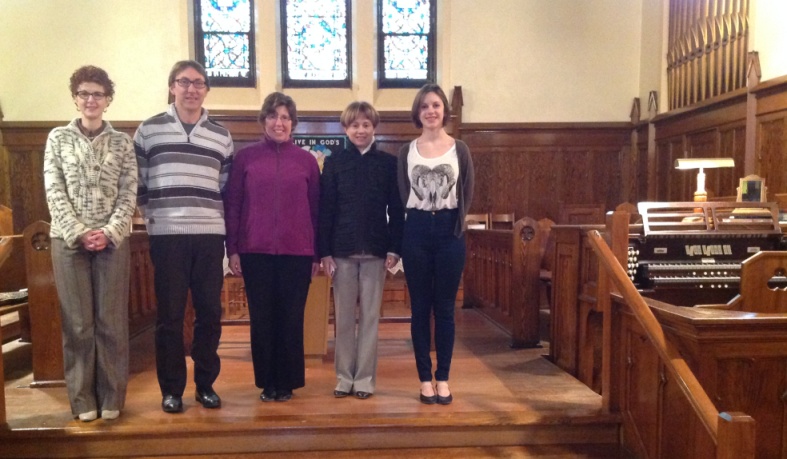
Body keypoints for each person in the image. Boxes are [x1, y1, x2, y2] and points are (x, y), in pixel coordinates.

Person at [134, 60, 233, 413]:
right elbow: (139, 183)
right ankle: (172, 389)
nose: (191, 89)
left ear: (206, 89)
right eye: (184, 82)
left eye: (198, 83)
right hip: (169, 237)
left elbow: (224, 186)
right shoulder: (149, 130)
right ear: (172, 86)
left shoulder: (221, 135)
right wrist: (156, 219)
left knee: (210, 314)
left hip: (209, 236)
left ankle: (205, 385)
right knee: (170, 316)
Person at [44, 65, 138, 422]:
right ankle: (83, 401)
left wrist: (110, 231)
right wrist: (80, 231)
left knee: (110, 322)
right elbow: (54, 191)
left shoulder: (122, 142)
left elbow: (129, 192)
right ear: (75, 97)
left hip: (113, 241)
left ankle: (112, 398)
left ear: (108, 99)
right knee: (78, 324)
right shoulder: (58, 139)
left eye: (97, 93)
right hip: (68, 242)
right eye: (84, 93)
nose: (90, 99)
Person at [225, 92, 320, 403]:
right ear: (263, 120)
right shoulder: (245, 158)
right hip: (255, 252)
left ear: (292, 123)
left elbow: (316, 209)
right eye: (273, 116)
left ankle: (288, 382)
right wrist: (233, 248)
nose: (279, 123)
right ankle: (267, 381)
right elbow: (234, 204)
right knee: (263, 319)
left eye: (285, 117)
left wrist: (316, 252)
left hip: (297, 253)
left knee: (291, 319)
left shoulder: (307, 161)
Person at [318, 102, 404, 400]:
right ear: (345, 129)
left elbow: (396, 208)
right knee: (343, 318)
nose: (360, 130)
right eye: (354, 125)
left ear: (374, 127)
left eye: (366, 124)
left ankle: (365, 379)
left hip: (376, 250)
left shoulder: (387, 163)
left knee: (369, 318)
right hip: (341, 251)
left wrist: (394, 247)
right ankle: (343, 377)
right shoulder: (335, 162)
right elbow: (326, 209)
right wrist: (324, 252)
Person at [397, 84, 474, 405]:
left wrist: (454, 225)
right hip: (415, 230)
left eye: (436, 105)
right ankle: (424, 379)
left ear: (444, 111)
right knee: (419, 309)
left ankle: (443, 377)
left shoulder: (460, 150)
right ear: (418, 112)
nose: (431, 111)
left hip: (449, 231)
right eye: (425, 106)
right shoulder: (406, 152)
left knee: (444, 309)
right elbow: (402, 193)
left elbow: (467, 191)